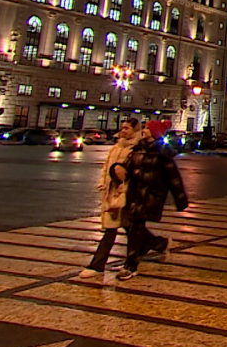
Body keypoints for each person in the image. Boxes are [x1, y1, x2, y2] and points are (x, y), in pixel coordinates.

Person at [118, 119, 188, 281]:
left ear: (155, 132)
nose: (144, 130)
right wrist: (116, 170)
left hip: (151, 195)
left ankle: (131, 265)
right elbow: (127, 167)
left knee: (136, 227)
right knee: (131, 225)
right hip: (135, 194)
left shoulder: (162, 153)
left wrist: (180, 199)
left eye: (148, 128)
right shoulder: (139, 148)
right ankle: (157, 244)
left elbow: (173, 178)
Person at [79, 118, 141, 278]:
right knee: (129, 229)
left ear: (135, 130)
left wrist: (124, 187)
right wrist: (102, 182)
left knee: (113, 230)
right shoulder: (117, 146)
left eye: (127, 128)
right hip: (110, 193)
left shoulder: (136, 148)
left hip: (123, 195)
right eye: (123, 127)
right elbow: (106, 166)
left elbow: (134, 172)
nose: (123, 130)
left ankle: (97, 265)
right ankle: (159, 244)